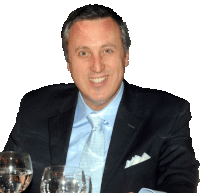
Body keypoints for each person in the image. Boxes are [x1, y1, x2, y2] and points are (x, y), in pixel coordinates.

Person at [4, 4, 199, 193]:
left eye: (107, 50)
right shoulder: (35, 107)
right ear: (68, 62)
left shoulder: (168, 113)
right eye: (83, 53)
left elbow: (181, 183)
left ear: (125, 56)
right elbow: (8, 175)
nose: (97, 66)